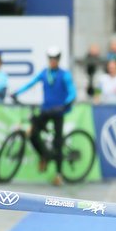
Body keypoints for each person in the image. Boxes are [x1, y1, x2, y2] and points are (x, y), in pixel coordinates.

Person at [11, 47, 76, 186]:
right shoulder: (44, 74)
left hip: (58, 111)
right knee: (33, 133)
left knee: (58, 142)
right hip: (46, 110)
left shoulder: (65, 75)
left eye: (55, 59)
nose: (53, 61)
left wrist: (66, 104)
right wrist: (16, 93)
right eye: (51, 59)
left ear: (58, 60)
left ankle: (59, 174)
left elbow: (72, 92)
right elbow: (30, 84)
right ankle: (44, 155)